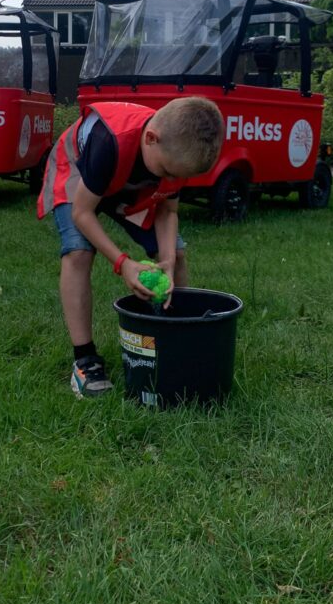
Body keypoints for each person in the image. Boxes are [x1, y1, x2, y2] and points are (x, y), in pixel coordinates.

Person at [38, 97, 225, 398]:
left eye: (179, 176)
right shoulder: (108, 142)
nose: (173, 181)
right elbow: (82, 213)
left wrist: (165, 261)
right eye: (168, 172)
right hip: (79, 169)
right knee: (78, 252)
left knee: (176, 254)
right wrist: (123, 263)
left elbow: (168, 211)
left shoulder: (172, 151)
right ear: (151, 139)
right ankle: (85, 361)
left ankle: (175, 339)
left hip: (130, 178)